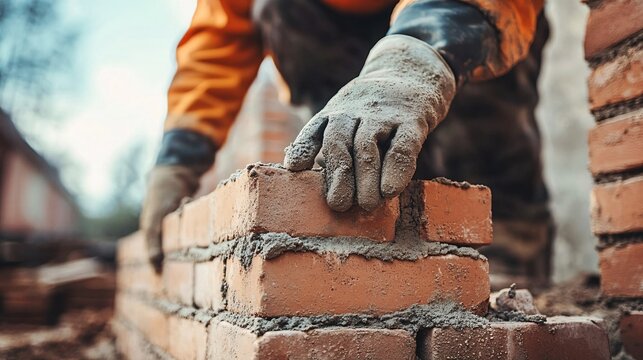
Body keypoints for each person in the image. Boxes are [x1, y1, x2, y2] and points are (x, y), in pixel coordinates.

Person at [141, 0, 553, 289]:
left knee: (482, 106)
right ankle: (363, 245)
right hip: (331, 32)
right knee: (276, 6)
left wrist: (420, 51)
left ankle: (501, 255)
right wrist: (178, 156)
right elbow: (217, 39)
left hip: (459, 13)